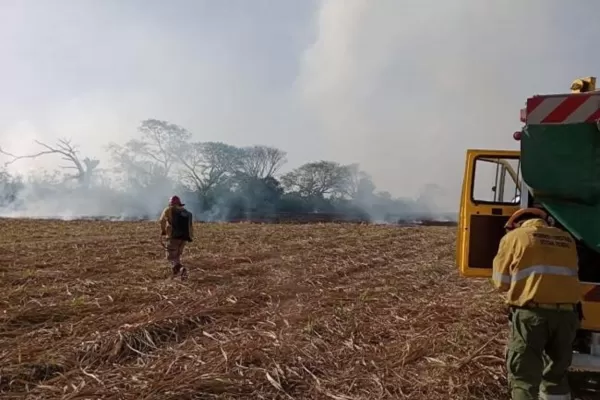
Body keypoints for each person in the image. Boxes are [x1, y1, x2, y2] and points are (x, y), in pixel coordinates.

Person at [492, 207, 581, 400]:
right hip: (567, 316)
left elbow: (501, 282)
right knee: (556, 375)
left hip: (531, 316)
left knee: (524, 377)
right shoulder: (567, 239)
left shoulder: (515, 237)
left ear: (516, 223)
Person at [159, 195, 194, 278]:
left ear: (170, 203)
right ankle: (176, 273)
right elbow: (190, 227)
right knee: (177, 255)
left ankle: (181, 269)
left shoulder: (169, 209)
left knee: (170, 256)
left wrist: (163, 231)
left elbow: (161, 220)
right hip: (184, 238)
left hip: (173, 237)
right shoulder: (186, 212)